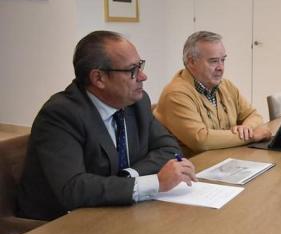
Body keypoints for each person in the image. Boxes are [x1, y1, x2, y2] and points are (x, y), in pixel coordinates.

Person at [17, 31, 197, 221]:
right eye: (132, 70)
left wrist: (129, 175)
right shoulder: (61, 114)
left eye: (140, 65)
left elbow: (169, 149)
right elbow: (73, 188)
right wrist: (155, 182)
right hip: (57, 224)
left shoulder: (137, 103)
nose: (143, 76)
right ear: (99, 78)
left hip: (117, 211)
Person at [154, 31, 272, 156]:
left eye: (223, 60)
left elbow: (253, 115)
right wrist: (251, 136)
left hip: (225, 160)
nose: (221, 67)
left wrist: (247, 128)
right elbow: (201, 140)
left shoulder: (226, 85)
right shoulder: (175, 94)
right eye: (214, 61)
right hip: (194, 168)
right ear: (191, 62)